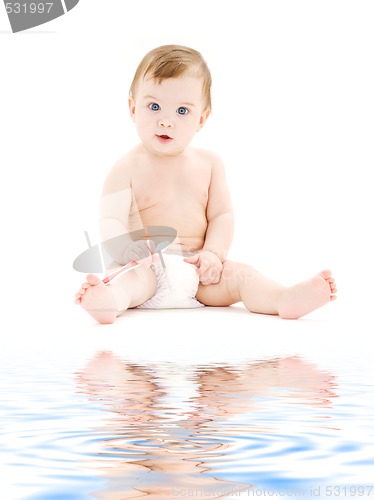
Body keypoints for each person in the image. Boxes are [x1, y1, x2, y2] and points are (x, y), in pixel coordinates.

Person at [74, 44, 337, 324]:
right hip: (148, 266)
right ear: (132, 108)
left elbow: (221, 216)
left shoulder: (210, 164)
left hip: (199, 274)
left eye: (182, 111)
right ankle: (109, 302)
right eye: (154, 106)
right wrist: (127, 250)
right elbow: (110, 220)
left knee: (242, 276)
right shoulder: (126, 167)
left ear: (202, 118)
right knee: (128, 284)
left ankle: (282, 299)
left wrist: (213, 254)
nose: (166, 121)